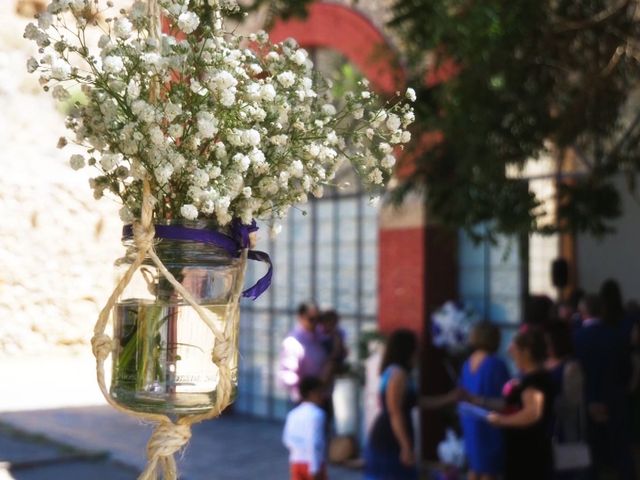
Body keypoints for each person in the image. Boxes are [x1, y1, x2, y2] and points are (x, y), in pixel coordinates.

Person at [574, 294, 635, 480]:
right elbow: (627, 369)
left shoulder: (575, 338)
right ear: (603, 311)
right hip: (614, 399)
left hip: (584, 401)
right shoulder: (616, 337)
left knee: (588, 456)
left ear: (582, 313)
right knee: (621, 452)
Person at [485, 327, 556, 480]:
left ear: (527, 352)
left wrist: (502, 421)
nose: (511, 352)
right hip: (520, 453)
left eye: (515, 348)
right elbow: (509, 405)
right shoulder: (527, 379)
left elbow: (533, 412)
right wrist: (476, 400)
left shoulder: (535, 381)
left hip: (530, 454)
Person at [458, 321, 510, 480]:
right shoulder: (496, 364)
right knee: (489, 471)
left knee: (474, 467)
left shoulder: (467, 364)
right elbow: (506, 398)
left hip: (470, 421)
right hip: (490, 422)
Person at [364, 329, 418, 480]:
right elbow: (395, 412)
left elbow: (415, 402)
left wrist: (448, 398)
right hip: (390, 437)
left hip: (393, 434)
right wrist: (405, 446)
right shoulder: (398, 374)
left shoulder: (397, 372)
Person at [545, 321, 586, 479]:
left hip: (562, 430)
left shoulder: (571, 367)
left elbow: (573, 403)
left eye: (548, 342)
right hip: (543, 429)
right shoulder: (542, 363)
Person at [280, 302, 328, 403]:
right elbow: (287, 374)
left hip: (323, 396)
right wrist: (305, 390)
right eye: (311, 319)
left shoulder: (321, 335)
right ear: (301, 318)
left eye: (318, 319)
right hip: (304, 399)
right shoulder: (293, 342)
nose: (315, 323)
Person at [283, 376, 328, 480]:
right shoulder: (318, 414)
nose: (323, 396)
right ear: (312, 393)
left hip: (295, 461)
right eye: (320, 393)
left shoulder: (293, 414)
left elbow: (286, 439)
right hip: (313, 463)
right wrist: (314, 468)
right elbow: (314, 442)